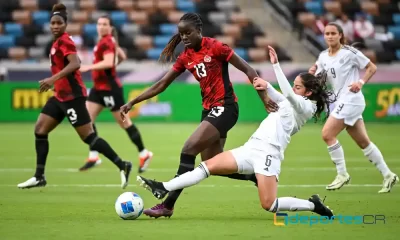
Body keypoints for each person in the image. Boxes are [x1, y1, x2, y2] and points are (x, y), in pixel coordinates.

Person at [136, 46, 334, 219]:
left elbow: (288, 96)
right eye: (294, 84)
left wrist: (276, 66)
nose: (293, 88)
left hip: (269, 153)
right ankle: (164, 187)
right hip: (251, 147)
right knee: (207, 166)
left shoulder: (306, 108)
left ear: (308, 92)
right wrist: (266, 86)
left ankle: (312, 205)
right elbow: (283, 97)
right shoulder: (294, 102)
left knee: (269, 205)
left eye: (298, 86)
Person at [120, 13, 275, 218]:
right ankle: (255, 176)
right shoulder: (185, 56)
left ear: (198, 31)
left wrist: (264, 98)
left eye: (188, 32)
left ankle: (167, 204)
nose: (184, 37)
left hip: (226, 107)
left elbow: (248, 69)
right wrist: (133, 102)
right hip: (209, 110)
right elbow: (161, 84)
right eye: (181, 34)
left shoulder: (216, 47)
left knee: (188, 149)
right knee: (213, 163)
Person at [17, 3, 132, 189]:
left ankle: (123, 165)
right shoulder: (55, 43)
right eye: (52, 23)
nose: (55, 26)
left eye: (58, 23)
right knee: (40, 129)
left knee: (88, 137)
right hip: (60, 96)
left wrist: (52, 79)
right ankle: (39, 176)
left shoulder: (65, 41)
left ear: (65, 25)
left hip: (73, 97)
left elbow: (75, 63)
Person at [309, 22, 398, 193]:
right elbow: (314, 74)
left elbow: (372, 67)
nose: (329, 36)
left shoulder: (349, 53)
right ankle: (388, 175)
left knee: (327, 134)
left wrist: (361, 82)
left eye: (333, 33)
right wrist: (309, 76)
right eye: (327, 33)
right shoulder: (323, 56)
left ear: (340, 35)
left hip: (352, 99)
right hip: (342, 101)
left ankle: (342, 174)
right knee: (364, 142)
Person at [78, 16, 153, 173]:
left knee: (124, 122)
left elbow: (109, 62)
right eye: (99, 24)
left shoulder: (107, 42)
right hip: (99, 88)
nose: (101, 27)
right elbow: (122, 57)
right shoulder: (107, 41)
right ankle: (93, 155)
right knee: (87, 120)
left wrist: (89, 67)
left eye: (105, 24)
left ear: (110, 27)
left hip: (110, 89)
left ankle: (144, 153)